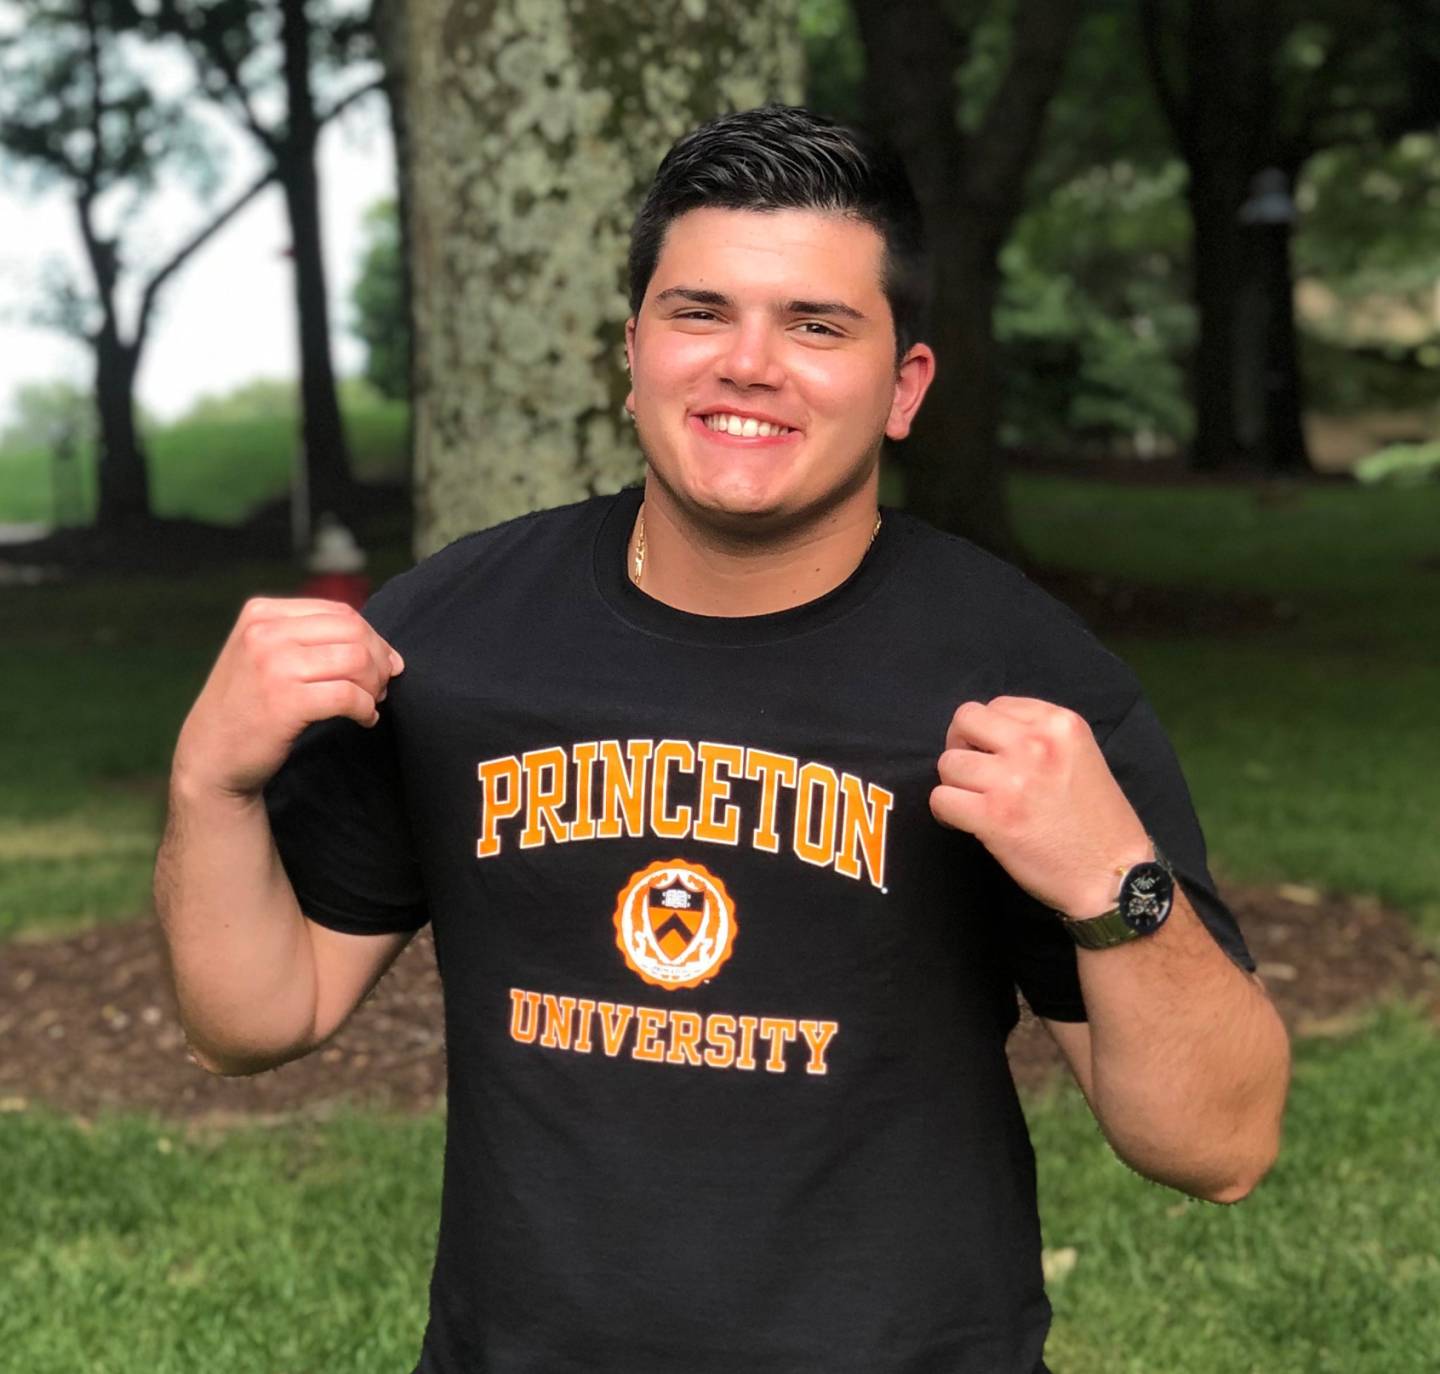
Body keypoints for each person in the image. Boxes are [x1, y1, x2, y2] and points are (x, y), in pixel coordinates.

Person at [155, 105, 1291, 1374]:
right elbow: (252, 1018)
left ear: (905, 385)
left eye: (817, 325)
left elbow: (1222, 1150)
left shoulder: (1013, 678)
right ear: (631, 349)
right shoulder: (456, 638)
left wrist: (1111, 879)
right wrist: (213, 780)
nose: (749, 364)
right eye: (700, 313)